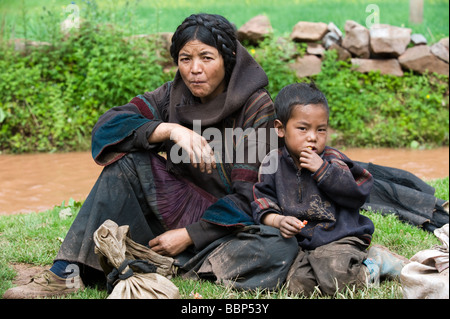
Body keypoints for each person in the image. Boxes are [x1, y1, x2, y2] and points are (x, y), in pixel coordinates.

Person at [3, 13, 298, 299]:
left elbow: (252, 195)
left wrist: (189, 235)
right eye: (186, 59)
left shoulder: (257, 106)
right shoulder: (171, 96)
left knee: (279, 247)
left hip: (225, 226)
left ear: (228, 58)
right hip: (171, 210)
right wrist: (167, 129)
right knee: (129, 162)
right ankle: (64, 272)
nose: (195, 69)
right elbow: (108, 128)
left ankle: (162, 263)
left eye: (207, 58)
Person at [251, 82, 406, 296]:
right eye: (303, 128)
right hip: (305, 244)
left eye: (320, 129)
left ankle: (375, 263)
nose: (313, 137)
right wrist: (278, 221)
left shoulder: (334, 161)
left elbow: (358, 193)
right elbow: (262, 203)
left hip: (341, 237)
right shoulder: (272, 163)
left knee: (336, 276)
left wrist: (322, 170)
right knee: (298, 285)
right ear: (280, 128)